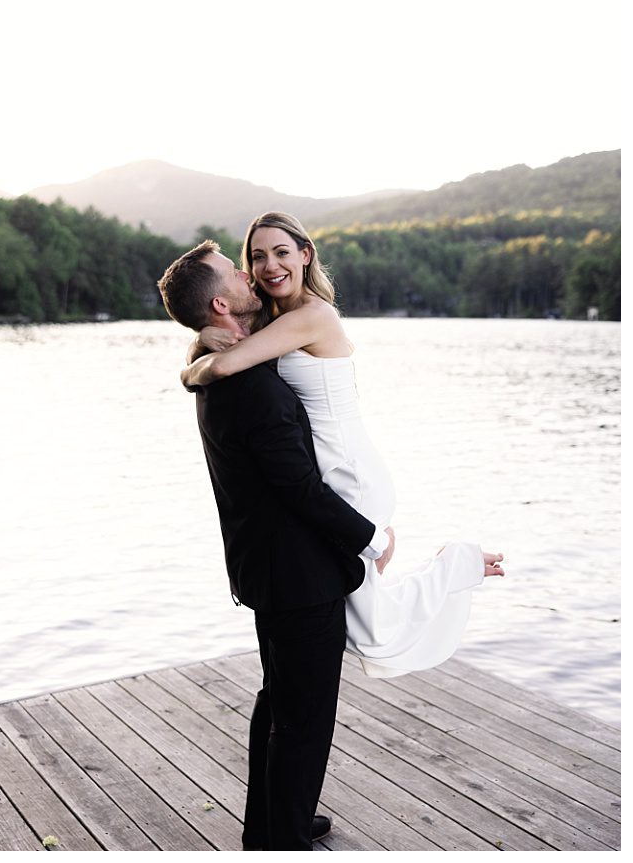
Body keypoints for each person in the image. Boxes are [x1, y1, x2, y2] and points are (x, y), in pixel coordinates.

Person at [179, 213, 503, 676]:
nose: (268, 266)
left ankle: (458, 564)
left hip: (348, 472)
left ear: (306, 254)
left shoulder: (312, 315)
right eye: (255, 257)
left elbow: (225, 367)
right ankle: (457, 567)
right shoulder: (275, 315)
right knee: (363, 619)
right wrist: (202, 345)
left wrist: (189, 368)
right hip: (330, 468)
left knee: (370, 625)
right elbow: (231, 347)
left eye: (282, 252)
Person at [155, 237, 390, 850]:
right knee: (304, 720)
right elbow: (300, 491)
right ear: (222, 306)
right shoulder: (252, 388)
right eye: (236, 270)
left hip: (267, 568)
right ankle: (279, 840)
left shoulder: (229, 371)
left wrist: (197, 351)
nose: (249, 273)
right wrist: (369, 538)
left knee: (280, 701)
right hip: (299, 575)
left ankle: (271, 824)